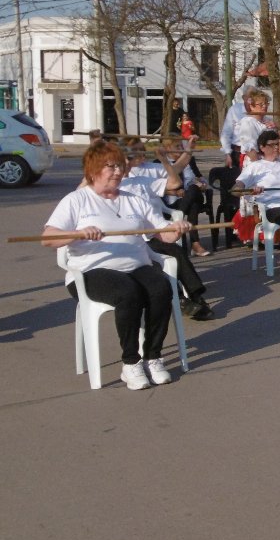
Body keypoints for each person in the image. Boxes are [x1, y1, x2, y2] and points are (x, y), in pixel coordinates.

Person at [42, 141, 192, 389]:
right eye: (110, 166)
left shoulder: (133, 199)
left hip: (137, 265)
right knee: (127, 293)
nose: (118, 172)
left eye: (120, 166)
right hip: (92, 271)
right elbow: (48, 238)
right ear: (92, 171)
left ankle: (153, 357)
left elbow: (161, 233)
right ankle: (131, 363)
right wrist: (78, 234)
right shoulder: (77, 200)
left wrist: (176, 229)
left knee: (161, 289)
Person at [120, 139, 216, 320]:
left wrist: (167, 158)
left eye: (141, 152)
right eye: (132, 154)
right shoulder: (112, 185)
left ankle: (195, 297)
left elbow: (176, 178)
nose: (138, 157)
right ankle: (180, 299)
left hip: (152, 232)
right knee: (158, 262)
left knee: (176, 251)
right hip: (133, 240)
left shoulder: (143, 178)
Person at [232, 128, 280, 274]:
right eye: (272, 145)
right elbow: (237, 188)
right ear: (262, 147)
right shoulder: (255, 167)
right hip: (273, 208)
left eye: (278, 144)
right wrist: (250, 191)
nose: (276, 147)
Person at [220, 85, 258, 169]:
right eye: (250, 96)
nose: (252, 99)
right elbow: (226, 133)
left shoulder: (258, 110)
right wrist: (227, 153)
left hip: (254, 153)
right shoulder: (235, 110)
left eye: (255, 96)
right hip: (237, 152)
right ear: (244, 97)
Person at [236, 90, 271, 165]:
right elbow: (250, 149)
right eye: (261, 104)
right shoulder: (248, 122)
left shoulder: (268, 120)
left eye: (266, 103)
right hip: (254, 162)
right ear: (252, 107)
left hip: (269, 161)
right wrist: (258, 165)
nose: (264, 106)